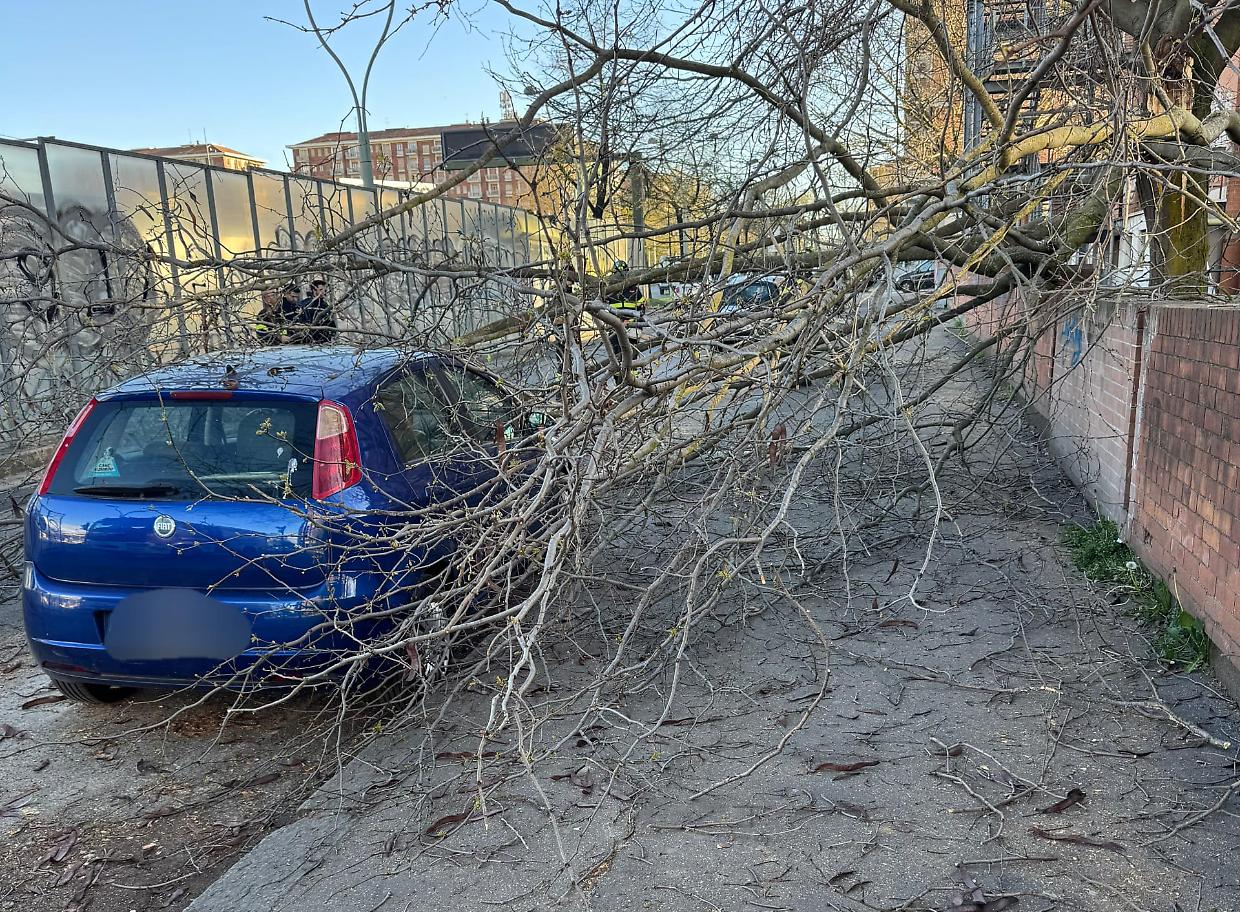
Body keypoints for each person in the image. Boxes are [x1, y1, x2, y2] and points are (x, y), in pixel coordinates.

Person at [603, 261, 643, 357]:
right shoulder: (609, 291)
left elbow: (641, 310)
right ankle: (620, 371)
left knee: (632, 354)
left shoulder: (634, 289)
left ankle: (633, 371)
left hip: (632, 326)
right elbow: (603, 310)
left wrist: (631, 322)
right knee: (617, 354)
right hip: (615, 326)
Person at [296, 279, 338, 344]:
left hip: (324, 340)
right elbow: (299, 320)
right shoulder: (305, 304)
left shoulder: (326, 306)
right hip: (307, 341)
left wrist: (332, 334)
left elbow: (331, 323)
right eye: (321, 290)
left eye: (325, 290)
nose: (324, 292)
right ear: (314, 290)